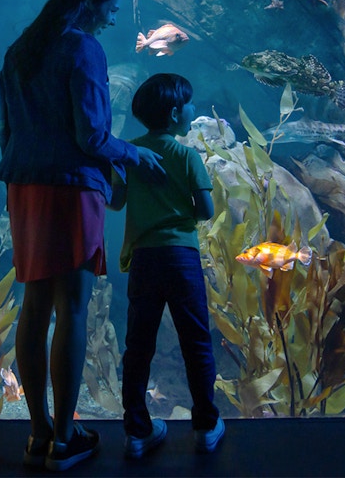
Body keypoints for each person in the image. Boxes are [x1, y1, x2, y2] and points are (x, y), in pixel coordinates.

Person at [0, 0, 164, 472]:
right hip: (70, 188)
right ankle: (66, 440)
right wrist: (135, 156)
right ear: (91, 3)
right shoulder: (83, 49)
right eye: (111, 8)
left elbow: (7, 134)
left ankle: (40, 432)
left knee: (34, 304)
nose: (113, 20)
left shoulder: (19, 51)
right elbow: (91, 137)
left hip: (24, 187)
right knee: (71, 307)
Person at [110, 73, 225, 459]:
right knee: (196, 341)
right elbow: (206, 212)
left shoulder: (129, 153)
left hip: (144, 258)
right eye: (189, 104)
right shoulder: (188, 155)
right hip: (181, 258)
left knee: (138, 345)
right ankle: (206, 426)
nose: (193, 109)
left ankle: (137, 431)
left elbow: (115, 201)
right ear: (176, 113)